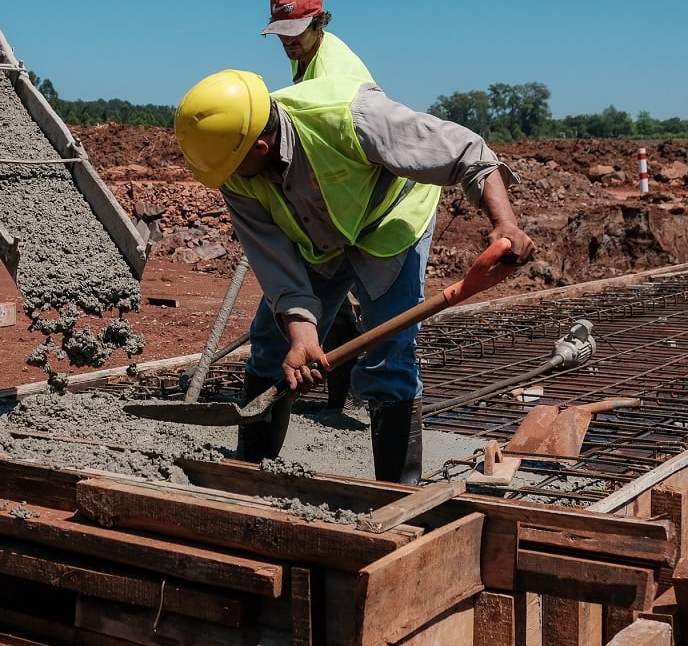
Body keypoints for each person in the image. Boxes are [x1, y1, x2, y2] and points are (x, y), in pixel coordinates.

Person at [174, 70, 534, 484]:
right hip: (319, 236)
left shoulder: (352, 117)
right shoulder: (233, 167)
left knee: (388, 357)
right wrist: (304, 335)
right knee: (274, 347)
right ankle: (250, 475)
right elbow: (275, 264)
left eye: (239, 168)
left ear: (261, 145)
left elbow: (469, 153)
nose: (233, 178)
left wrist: (504, 223)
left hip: (390, 223)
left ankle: (396, 495)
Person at [246, 0, 372, 430]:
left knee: (305, 313)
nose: (288, 41)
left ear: (320, 21)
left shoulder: (336, 74)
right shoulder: (311, 54)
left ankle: (352, 402)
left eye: (297, 30)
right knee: (326, 307)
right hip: (329, 211)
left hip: (354, 212)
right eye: (281, 32)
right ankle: (341, 401)